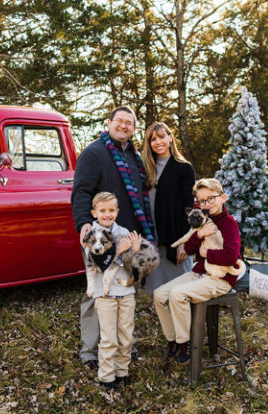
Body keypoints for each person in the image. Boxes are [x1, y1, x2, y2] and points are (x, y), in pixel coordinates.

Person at [71, 106, 154, 369]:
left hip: (130, 237)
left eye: (129, 123)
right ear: (109, 123)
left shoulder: (135, 157)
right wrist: (84, 223)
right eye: (119, 121)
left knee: (126, 290)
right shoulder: (94, 153)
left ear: (134, 128)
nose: (124, 126)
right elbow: (81, 191)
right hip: (102, 238)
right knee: (97, 294)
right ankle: (90, 350)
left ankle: (123, 344)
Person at [153, 178, 241, 365]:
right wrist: (200, 234)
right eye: (202, 201)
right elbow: (190, 249)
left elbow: (231, 256)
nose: (207, 204)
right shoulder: (200, 219)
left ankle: (186, 343)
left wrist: (206, 253)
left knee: (178, 294)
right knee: (159, 294)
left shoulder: (229, 224)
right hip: (199, 273)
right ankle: (173, 340)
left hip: (220, 278)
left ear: (223, 198)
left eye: (211, 198)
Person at [85, 192, 141, 388]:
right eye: (102, 211)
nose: (107, 214)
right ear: (94, 212)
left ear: (117, 211)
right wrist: (118, 249)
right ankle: (107, 376)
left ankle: (122, 371)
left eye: (111, 210)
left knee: (126, 336)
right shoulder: (91, 235)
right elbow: (97, 261)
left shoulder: (124, 231)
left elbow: (132, 262)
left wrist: (135, 248)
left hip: (125, 291)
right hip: (104, 293)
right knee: (108, 337)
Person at [141, 122, 196, 294]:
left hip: (174, 236)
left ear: (170, 138)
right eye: (153, 139)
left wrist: (185, 242)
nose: (158, 142)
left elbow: (189, 209)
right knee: (158, 290)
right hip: (152, 237)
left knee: (180, 289)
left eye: (162, 137)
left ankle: (186, 320)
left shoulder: (184, 168)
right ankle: (165, 320)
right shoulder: (145, 168)